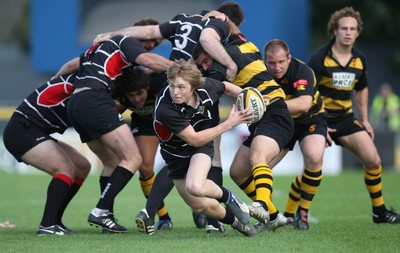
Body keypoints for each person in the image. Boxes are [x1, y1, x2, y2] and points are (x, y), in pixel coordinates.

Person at [93, 3, 242, 232]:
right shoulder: (218, 25)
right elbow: (207, 42)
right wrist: (231, 65)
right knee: (196, 153)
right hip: (187, 87)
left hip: (181, 88)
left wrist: (111, 34)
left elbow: (150, 32)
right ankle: (191, 219)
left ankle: (171, 214)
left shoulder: (183, 21)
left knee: (188, 154)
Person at [65, 23, 173, 233]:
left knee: (112, 162)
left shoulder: (98, 49)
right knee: (133, 159)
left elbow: (71, 67)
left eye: (156, 42)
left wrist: (51, 83)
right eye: (150, 38)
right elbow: (148, 60)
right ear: (138, 33)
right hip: (95, 99)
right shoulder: (126, 41)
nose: (151, 44)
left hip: (76, 102)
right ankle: (101, 210)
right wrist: (181, 67)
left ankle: (106, 219)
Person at [135, 59, 257, 237]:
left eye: (181, 87)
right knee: (201, 205)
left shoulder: (206, 87)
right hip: (176, 153)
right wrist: (231, 122)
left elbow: (225, 87)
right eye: (171, 85)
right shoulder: (165, 109)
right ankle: (237, 222)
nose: (175, 92)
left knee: (194, 185)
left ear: (193, 86)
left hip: (201, 144)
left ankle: (229, 198)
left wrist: (251, 98)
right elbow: (193, 139)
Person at [192, 23, 294, 231]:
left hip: (274, 111)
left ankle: (263, 205)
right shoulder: (243, 43)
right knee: (238, 171)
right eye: (200, 63)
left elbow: (214, 85)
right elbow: (233, 25)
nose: (204, 66)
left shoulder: (221, 62)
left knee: (258, 157)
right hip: (260, 118)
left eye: (204, 61)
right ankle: (274, 216)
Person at [308, 6, 400, 224]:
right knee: (313, 164)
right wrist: (317, 120)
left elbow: (362, 88)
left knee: (373, 160)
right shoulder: (319, 57)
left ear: (358, 32)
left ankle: (379, 212)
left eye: (353, 29)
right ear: (334, 31)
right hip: (320, 118)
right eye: (344, 28)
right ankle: (295, 213)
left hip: (346, 119)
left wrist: (365, 119)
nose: (348, 32)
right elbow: (308, 92)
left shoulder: (360, 59)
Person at [3, 73, 91, 235]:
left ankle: (55, 221)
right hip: (21, 130)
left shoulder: (87, 79)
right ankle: (47, 225)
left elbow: (73, 64)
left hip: (34, 130)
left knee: (82, 166)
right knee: (65, 169)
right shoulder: (89, 86)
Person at [263, 39, 327, 230]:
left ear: (289, 58)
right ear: (265, 61)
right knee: (260, 167)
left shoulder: (303, 71)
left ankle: (302, 213)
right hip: (282, 122)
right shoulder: (260, 74)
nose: (276, 67)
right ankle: (272, 215)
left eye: (281, 62)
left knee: (314, 158)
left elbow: (303, 104)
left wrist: (268, 104)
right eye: (272, 63)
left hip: (311, 119)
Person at [113, 68, 173, 230]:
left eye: (140, 93)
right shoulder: (118, 91)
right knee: (145, 169)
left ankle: (199, 209)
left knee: (184, 165)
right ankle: (163, 218)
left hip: (173, 121)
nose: (136, 99)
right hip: (145, 123)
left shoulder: (161, 83)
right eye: (131, 96)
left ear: (147, 87)